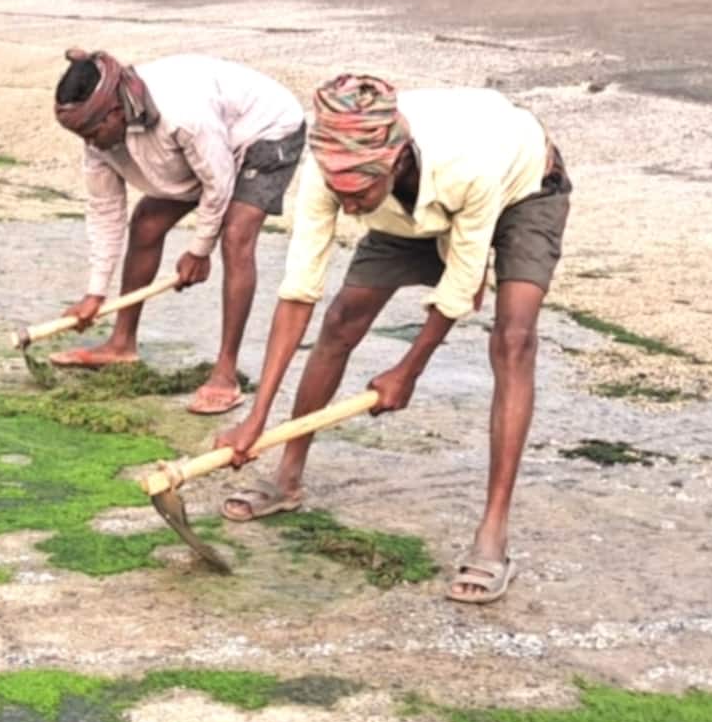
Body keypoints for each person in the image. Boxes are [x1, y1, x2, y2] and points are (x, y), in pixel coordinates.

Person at [212, 74, 571, 605]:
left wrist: (409, 370)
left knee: (514, 338)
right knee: (341, 321)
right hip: (410, 212)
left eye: (360, 194)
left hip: (523, 186)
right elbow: (298, 292)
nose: (350, 207)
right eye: (343, 195)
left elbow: (461, 284)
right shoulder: (331, 174)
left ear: (395, 160)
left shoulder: (467, 162)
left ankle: (492, 534)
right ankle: (286, 475)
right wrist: (257, 417)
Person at [49, 48, 308, 416]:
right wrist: (95, 293)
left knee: (235, 237)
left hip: (264, 129)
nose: (89, 144)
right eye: (81, 136)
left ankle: (225, 371)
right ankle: (122, 343)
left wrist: (199, 250)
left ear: (115, 112)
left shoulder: (183, 113)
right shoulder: (96, 136)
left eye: (92, 133)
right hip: (204, 150)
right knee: (146, 224)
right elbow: (105, 212)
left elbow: (218, 184)